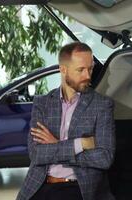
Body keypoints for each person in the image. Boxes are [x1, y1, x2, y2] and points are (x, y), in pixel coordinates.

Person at [17, 42, 115, 200]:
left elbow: (104, 158)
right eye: (80, 70)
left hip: (77, 188)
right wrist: (80, 144)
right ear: (63, 70)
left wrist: (55, 145)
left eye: (90, 68)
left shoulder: (102, 105)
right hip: (39, 185)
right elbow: (36, 154)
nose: (88, 76)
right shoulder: (43, 103)